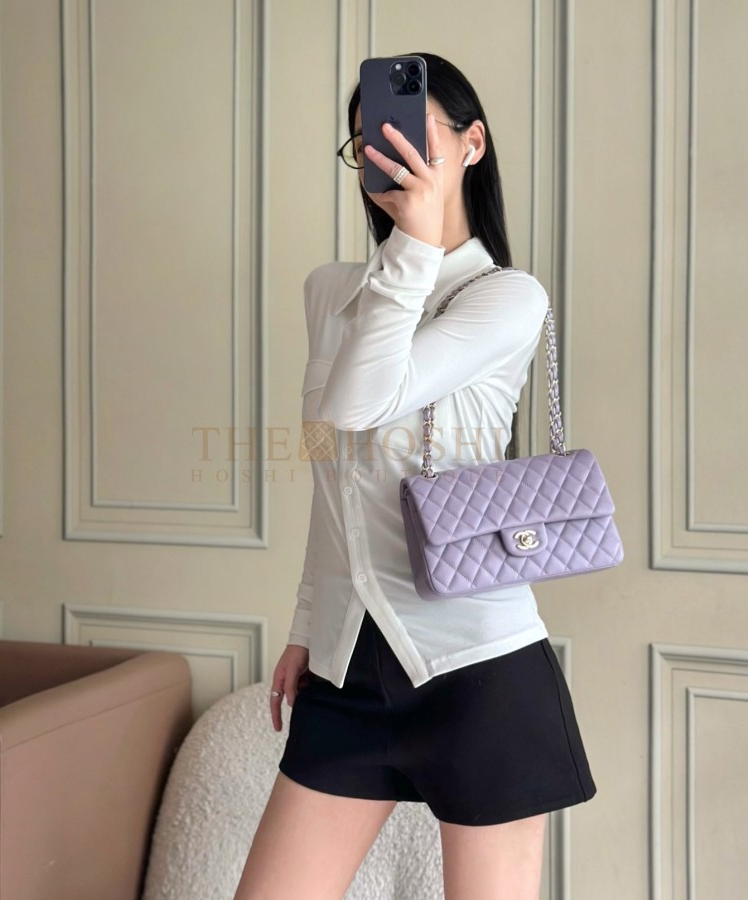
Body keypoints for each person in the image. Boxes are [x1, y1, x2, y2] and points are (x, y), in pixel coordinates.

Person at [233, 52, 596, 900]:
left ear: (472, 145)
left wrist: (417, 246)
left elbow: (364, 401)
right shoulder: (330, 292)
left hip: (478, 668)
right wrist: (307, 623)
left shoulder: (509, 298)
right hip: (348, 669)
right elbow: (334, 481)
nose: (387, 151)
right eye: (369, 138)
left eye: (411, 132)